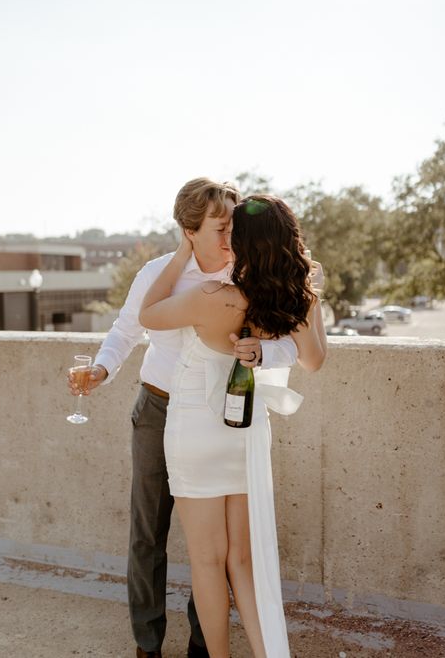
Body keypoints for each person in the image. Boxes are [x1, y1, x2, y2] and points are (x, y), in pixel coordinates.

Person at [68, 179, 301, 658]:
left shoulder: (249, 273)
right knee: (149, 531)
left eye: (233, 224)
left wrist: (266, 352)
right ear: (188, 231)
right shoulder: (159, 271)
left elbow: (291, 338)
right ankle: (147, 643)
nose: (229, 235)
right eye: (220, 226)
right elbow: (127, 329)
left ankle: (203, 643)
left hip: (221, 417)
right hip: (158, 408)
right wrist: (100, 369)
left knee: (211, 547)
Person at [139, 194, 327, 657]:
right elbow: (315, 361)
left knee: (207, 561)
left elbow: (148, 313)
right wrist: (271, 346)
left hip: (197, 433)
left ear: (242, 243)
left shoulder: (214, 298)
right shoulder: (294, 296)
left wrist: (184, 251)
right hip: (243, 436)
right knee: (241, 560)